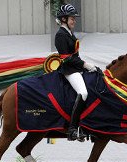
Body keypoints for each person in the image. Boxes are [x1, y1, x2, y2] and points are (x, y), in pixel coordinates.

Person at [55, 4, 97, 141]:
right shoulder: (60, 35)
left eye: (74, 18)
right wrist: (85, 64)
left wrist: (86, 67)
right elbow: (67, 58)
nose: (74, 21)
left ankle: (87, 125)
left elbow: (75, 56)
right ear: (63, 19)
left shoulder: (69, 33)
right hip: (69, 70)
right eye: (72, 18)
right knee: (83, 93)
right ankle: (72, 129)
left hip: (76, 68)